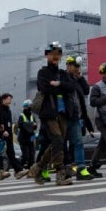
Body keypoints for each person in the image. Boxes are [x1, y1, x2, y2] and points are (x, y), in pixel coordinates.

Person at [29, 42, 77, 186]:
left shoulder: (62, 74)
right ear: (47, 55)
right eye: (52, 54)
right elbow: (44, 87)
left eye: (58, 54)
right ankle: (60, 172)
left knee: (58, 143)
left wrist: (59, 85)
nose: (55, 56)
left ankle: (38, 167)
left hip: (63, 112)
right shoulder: (43, 72)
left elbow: (72, 87)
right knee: (57, 140)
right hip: (49, 112)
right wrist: (59, 87)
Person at [64, 55, 96, 181]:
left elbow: (86, 90)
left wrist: (81, 78)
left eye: (78, 66)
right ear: (68, 66)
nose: (77, 69)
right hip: (64, 116)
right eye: (75, 66)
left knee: (78, 143)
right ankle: (61, 167)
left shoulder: (77, 80)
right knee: (60, 144)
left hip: (76, 117)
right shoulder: (63, 78)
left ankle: (81, 169)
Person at [0, 93, 28, 179]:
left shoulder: (8, 110)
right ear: (4, 99)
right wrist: (2, 131)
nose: (10, 101)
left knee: (11, 153)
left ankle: (18, 171)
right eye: (9, 99)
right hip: (1, 135)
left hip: (8, 135)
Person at [16, 99, 37, 170]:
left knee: (32, 155)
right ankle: (19, 168)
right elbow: (21, 125)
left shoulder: (32, 116)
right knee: (26, 156)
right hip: (23, 139)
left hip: (31, 138)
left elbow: (35, 125)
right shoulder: (21, 116)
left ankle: (29, 169)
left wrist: (33, 125)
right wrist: (31, 125)